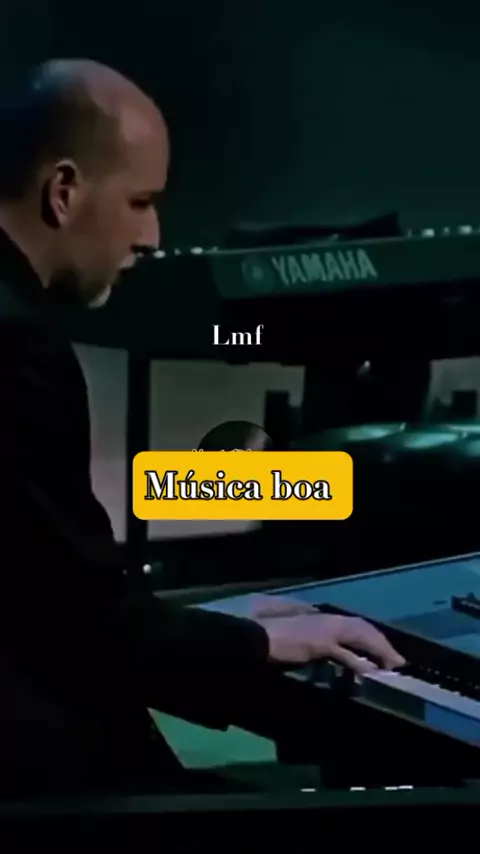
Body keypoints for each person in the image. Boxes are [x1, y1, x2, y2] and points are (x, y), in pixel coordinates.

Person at [0, 59, 405, 799]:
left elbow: (45, 588)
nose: (153, 235)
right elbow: (80, 627)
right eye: (141, 202)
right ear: (63, 191)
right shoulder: (18, 349)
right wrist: (254, 642)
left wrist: (212, 626)